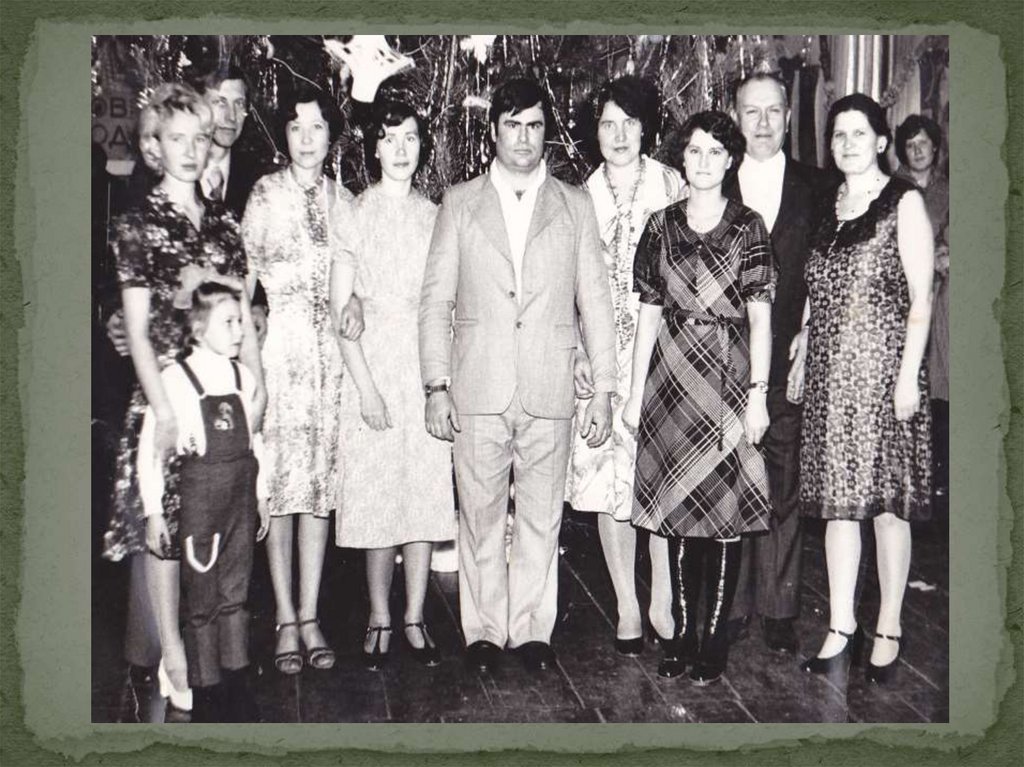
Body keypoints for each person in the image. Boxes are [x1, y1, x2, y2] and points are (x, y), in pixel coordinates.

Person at [419, 78, 617, 674]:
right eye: (512, 125)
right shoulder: (460, 203)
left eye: (534, 125)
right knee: (479, 515)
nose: (524, 138)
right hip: (477, 384)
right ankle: (483, 631)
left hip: (549, 384)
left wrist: (604, 388)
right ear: (493, 132)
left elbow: (596, 300)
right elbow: (435, 301)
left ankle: (532, 629)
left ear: (545, 132)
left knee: (540, 515)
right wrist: (435, 385)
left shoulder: (574, 204)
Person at [101, 82, 263, 712]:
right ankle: (172, 653)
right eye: (176, 139)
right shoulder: (137, 225)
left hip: (222, 394)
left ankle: (210, 652)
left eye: (199, 137)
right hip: (168, 394)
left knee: (217, 523)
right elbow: (138, 330)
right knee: (167, 523)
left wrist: (257, 379)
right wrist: (162, 410)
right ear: (154, 147)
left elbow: (242, 312)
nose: (191, 150)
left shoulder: (223, 223)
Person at [623, 110, 775, 686]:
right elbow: (648, 313)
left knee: (725, 515)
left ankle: (714, 642)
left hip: (729, 379)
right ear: (681, 159)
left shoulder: (748, 227)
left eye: (715, 151)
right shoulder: (660, 225)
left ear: (730, 160)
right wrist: (635, 394)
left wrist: (758, 396)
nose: (704, 161)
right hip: (671, 381)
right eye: (694, 151)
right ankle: (683, 636)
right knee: (681, 515)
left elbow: (761, 320)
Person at [789, 94, 933, 685]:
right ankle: (842, 625)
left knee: (887, 507)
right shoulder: (829, 204)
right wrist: (803, 343)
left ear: (881, 141)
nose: (847, 144)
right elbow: (816, 289)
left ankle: (889, 626)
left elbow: (922, 298)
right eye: (838, 134)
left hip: (883, 378)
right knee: (838, 508)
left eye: (858, 133)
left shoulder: (903, 201)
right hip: (830, 379)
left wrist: (908, 377)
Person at [330, 101, 456, 670]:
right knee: (378, 493)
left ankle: (415, 615)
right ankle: (379, 614)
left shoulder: (435, 216)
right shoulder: (355, 212)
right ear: (375, 147)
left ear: (420, 147)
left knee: (423, 492)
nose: (401, 149)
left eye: (410, 138)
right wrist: (366, 389)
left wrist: (441, 381)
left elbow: (446, 299)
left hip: (423, 364)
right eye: (390, 138)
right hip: (375, 364)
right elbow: (340, 307)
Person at [566, 76, 684, 655]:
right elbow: (563, 285)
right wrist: (578, 351)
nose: (618, 135)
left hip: (659, 355)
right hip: (600, 360)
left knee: (656, 480)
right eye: (608, 124)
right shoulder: (578, 197)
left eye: (629, 123)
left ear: (645, 129)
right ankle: (626, 606)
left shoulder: (671, 185)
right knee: (607, 481)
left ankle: (662, 599)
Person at [242, 87, 356, 675]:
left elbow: (357, 286)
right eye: (295, 127)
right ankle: (284, 617)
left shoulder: (346, 202)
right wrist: (247, 364)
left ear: (331, 136)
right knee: (279, 490)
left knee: (318, 491)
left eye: (316, 128)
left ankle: (311, 614)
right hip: (278, 358)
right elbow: (242, 288)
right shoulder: (265, 195)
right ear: (283, 135)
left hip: (330, 365)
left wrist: (355, 305)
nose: (306, 139)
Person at [723, 73, 826, 654]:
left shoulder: (817, 186)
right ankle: (734, 605)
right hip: (723, 357)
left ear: (788, 117)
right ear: (735, 116)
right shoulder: (714, 179)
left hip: (789, 355)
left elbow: (826, 269)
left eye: (772, 111)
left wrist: (810, 332)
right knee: (735, 478)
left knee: (782, 480)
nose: (762, 123)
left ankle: (779, 607)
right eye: (750, 111)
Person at [137, 282, 269, 722]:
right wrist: (154, 511)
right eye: (228, 323)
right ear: (197, 327)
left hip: (240, 502)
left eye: (241, 322)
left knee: (236, 594)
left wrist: (262, 495)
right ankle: (207, 689)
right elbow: (151, 453)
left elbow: (256, 442)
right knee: (202, 602)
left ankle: (235, 683)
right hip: (201, 506)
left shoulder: (243, 377)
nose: (240, 331)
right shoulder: (176, 380)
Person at [895, 114, 949, 498]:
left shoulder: (950, 189)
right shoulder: (894, 190)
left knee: (941, 381)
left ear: (935, 147)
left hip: (944, 298)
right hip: (905, 297)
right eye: (910, 145)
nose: (917, 151)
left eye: (923, 143)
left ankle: (939, 471)